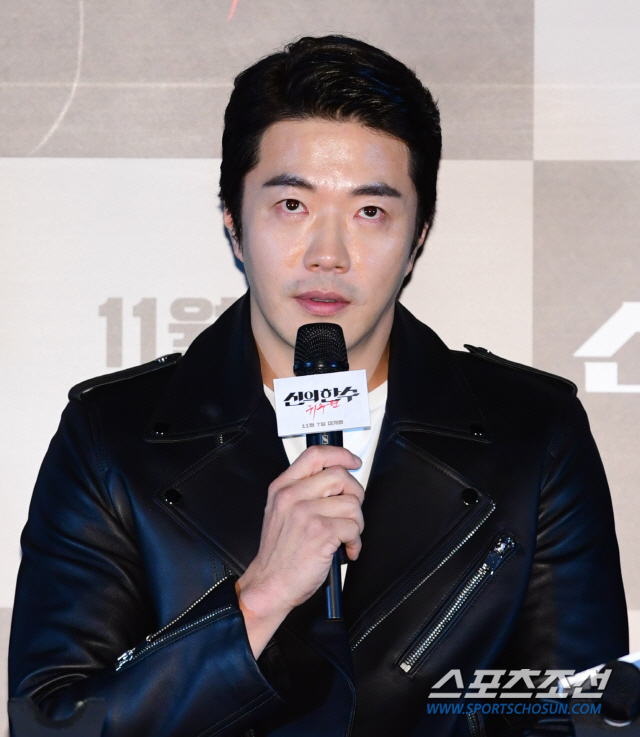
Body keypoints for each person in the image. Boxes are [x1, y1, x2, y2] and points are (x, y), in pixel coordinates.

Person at [9, 35, 628, 737]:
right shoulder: (112, 440)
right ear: (233, 224)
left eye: (370, 212)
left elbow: (584, 716)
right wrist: (257, 599)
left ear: (418, 237)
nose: (328, 255)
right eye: (292, 206)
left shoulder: (532, 434)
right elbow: (53, 725)